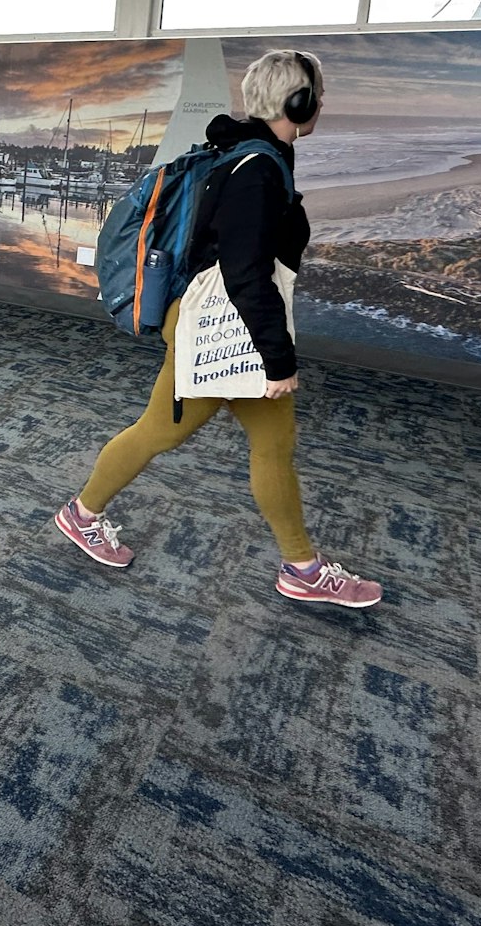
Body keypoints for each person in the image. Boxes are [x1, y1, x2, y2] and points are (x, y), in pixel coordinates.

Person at [54, 49, 382, 609]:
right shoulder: (255, 171)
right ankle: (82, 514)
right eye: (317, 96)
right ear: (299, 103)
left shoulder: (247, 156)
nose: (321, 105)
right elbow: (245, 271)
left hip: (225, 320)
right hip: (222, 326)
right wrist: (279, 360)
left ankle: (301, 566)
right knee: (164, 431)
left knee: (273, 443)